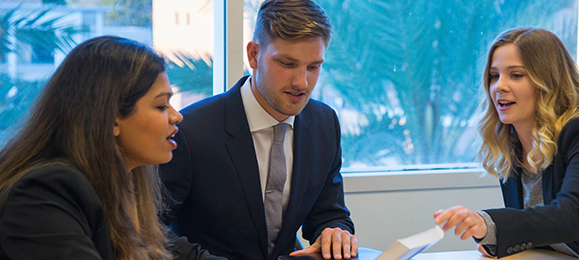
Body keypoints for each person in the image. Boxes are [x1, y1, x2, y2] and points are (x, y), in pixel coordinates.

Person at [159, 0, 357, 259]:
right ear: (253, 54)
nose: (302, 82)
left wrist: (335, 232)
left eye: (313, 66)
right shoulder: (191, 131)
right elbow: (148, 228)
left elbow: (330, 213)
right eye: (287, 63)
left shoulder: (324, 123)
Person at [433, 27, 579, 259]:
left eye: (516, 75)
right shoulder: (513, 146)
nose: (499, 86)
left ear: (547, 82)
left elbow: (571, 216)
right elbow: (536, 232)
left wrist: (490, 224)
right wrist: (497, 239)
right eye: (494, 76)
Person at [0, 36, 223, 259]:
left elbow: (189, 256)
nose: (177, 116)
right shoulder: (45, 190)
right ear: (113, 118)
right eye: (161, 105)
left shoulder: (123, 192)